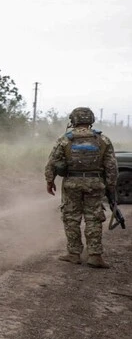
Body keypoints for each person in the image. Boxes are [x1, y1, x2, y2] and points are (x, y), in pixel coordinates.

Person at [44, 107, 118, 268]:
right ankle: (95, 255)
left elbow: (51, 162)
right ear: (90, 120)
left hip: (72, 183)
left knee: (71, 217)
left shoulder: (65, 139)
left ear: (73, 120)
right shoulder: (103, 140)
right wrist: (110, 186)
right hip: (95, 183)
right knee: (94, 217)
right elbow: (111, 166)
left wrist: (50, 181)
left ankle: (74, 254)